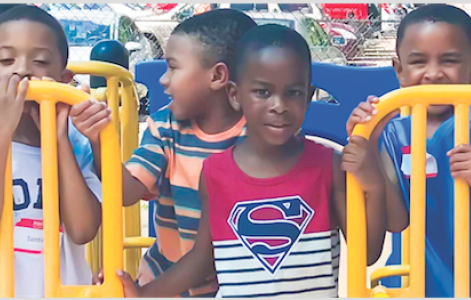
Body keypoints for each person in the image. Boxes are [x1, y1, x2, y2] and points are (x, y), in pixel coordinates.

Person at [114, 24, 392, 298]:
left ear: (308, 97)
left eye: (293, 92)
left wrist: (375, 186)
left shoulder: (328, 165)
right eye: (262, 92)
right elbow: (202, 259)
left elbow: (366, 253)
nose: (279, 105)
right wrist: (143, 294)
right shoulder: (215, 173)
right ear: (235, 95)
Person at [347, 4, 471, 297]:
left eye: (449, 61)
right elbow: (398, 220)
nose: (434, 74)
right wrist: (369, 146)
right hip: (433, 282)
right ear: (399, 70)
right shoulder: (393, 131)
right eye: (419, 62)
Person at [70, 9, 258, 297]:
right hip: (164, 281)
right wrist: (98, 139)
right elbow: (126, 192)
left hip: (235, 284)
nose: (163, 80)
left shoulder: (258, 136)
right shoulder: (165, 126)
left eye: (173, 67)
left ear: (218, 75)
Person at [0, 5, 102, 297]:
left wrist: (58, 137)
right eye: (7, 59)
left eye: (39, 61)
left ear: (64, 80)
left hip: (66, 290)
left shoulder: (76, 138)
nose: (22, 69)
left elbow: (83, 229)